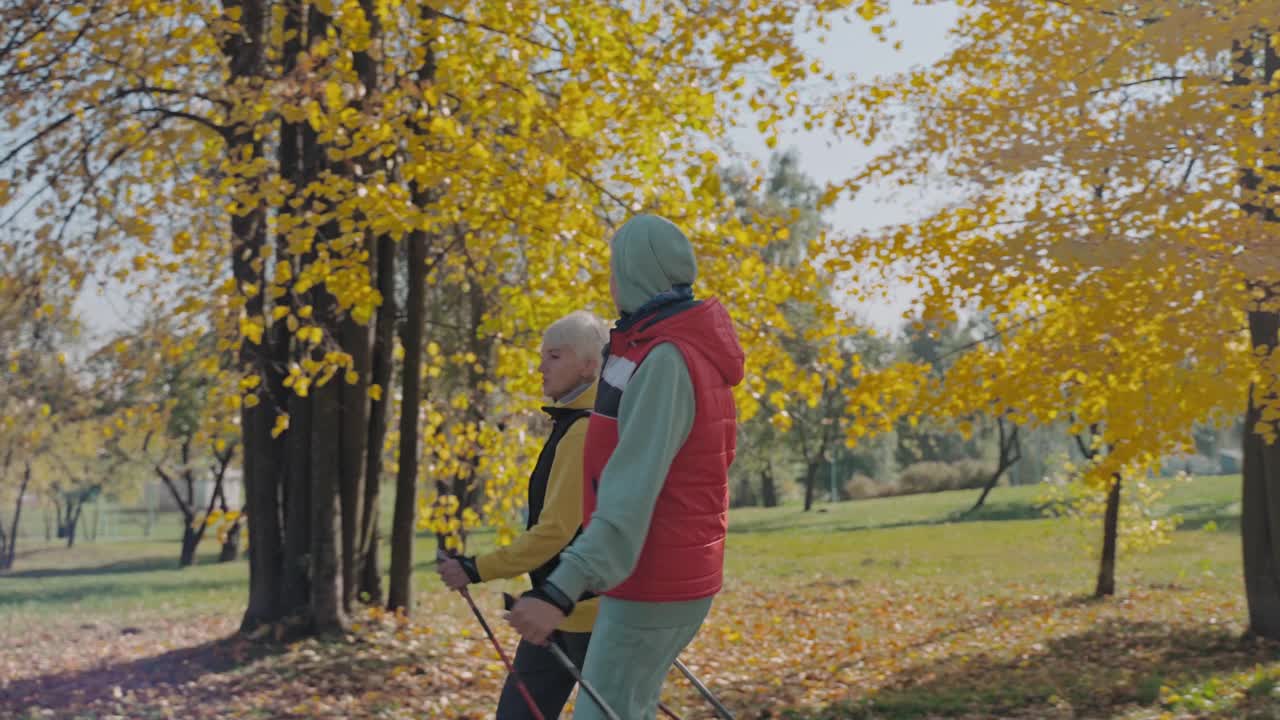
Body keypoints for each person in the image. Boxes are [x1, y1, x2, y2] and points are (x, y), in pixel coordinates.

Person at [507, 214, 745, 720]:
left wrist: (558, 590)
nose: (610, 284)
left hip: (651, 581)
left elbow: (631, 492)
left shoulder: (667, 361)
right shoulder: (658, 349)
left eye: (615, 270)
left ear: (637, 274)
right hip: (661, 577)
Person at [437, 309, 609, 720]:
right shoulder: (573, 425)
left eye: (554, 356)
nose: (540, 367)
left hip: (584, 617)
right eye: (542, 356)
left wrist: (475, 569)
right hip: (553, 612)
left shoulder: (583, 431)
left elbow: (554, 533)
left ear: (589, 366)